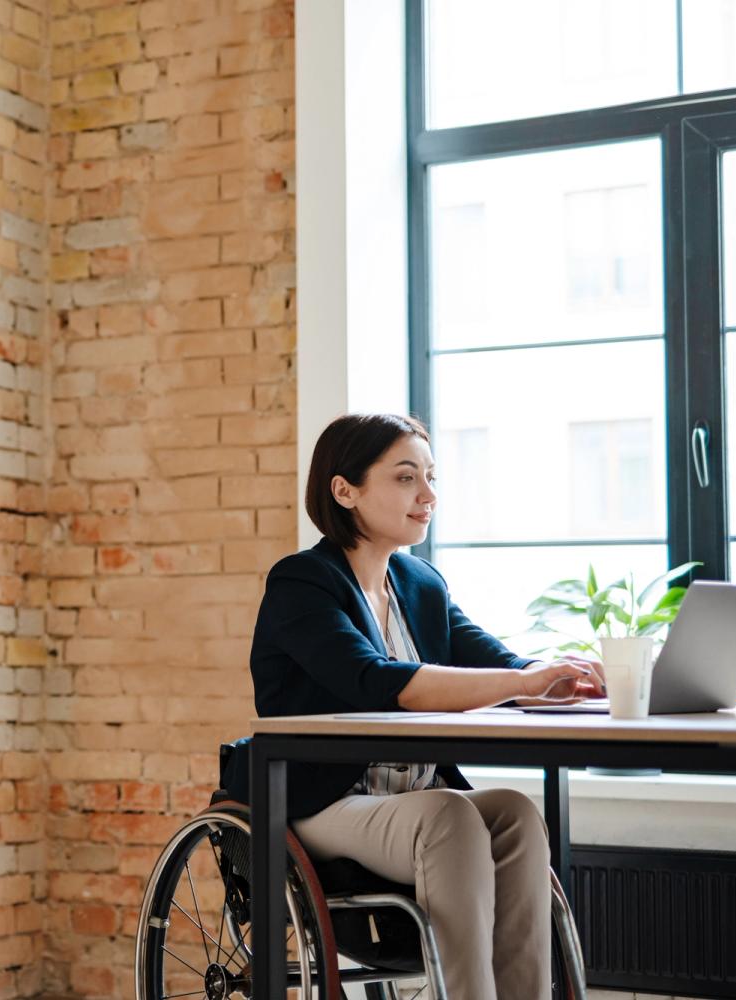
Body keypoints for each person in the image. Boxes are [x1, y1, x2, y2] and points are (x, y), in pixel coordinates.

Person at [249, 412, 605, 999]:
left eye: (431, 477)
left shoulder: (421, 584)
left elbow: (497, 662)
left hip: (404, 803)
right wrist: (522, 683)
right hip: (322, 799)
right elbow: (379, 681)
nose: (429, 495)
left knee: (514, 813)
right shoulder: (302, 583)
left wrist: (560, 676)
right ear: (345, 490)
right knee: (449, 814)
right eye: (406, 478)